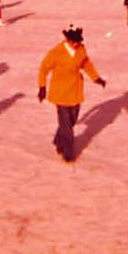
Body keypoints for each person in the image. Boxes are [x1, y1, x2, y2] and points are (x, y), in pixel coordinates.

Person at [37, 25, 106, 162]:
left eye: (78, 41)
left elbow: (86, 64)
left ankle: (58, 140)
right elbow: (43, 69)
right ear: (67, 40)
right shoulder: (56, 52)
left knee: (71, 121)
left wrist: (96, 78)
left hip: (75, 91)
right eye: (74, 41)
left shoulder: (81, 49)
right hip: (60, 92)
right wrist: (42, 87)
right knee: (66, 126)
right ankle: (68, 152)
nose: (76, 43)